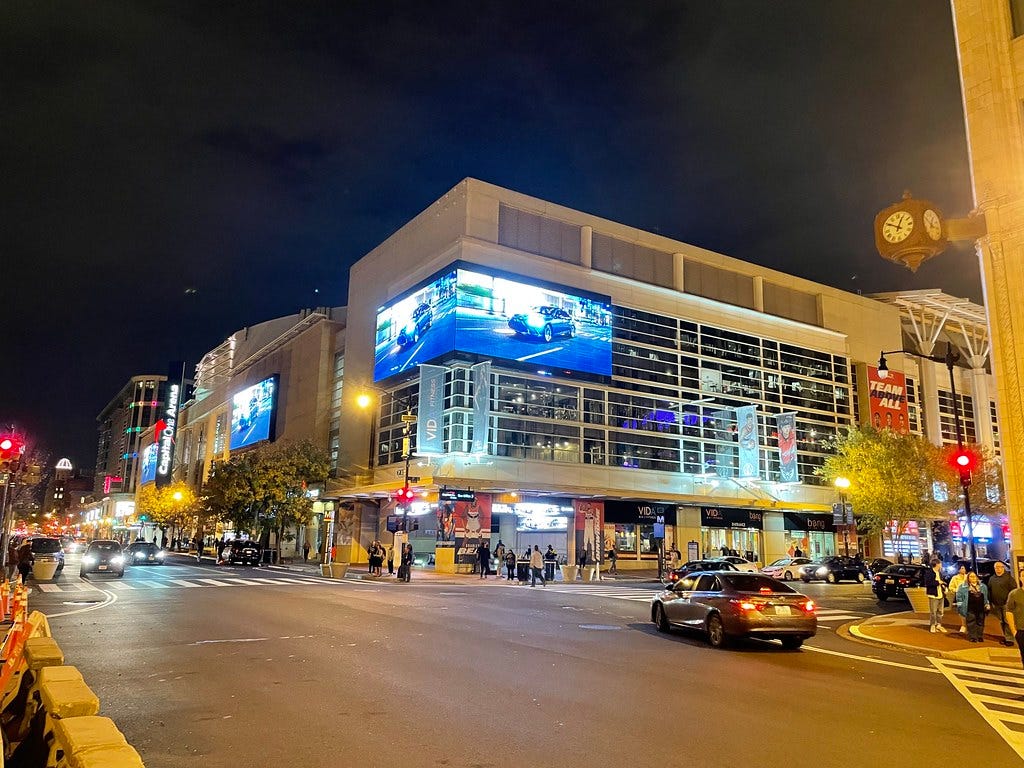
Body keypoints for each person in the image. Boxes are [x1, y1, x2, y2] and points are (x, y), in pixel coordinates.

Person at [956, 571, 990, 643]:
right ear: (968, 578)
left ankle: (979, 636)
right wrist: (960, 607)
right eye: (971, 576)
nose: (973, 578)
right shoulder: (963, 587)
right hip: (970, 608)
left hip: (980, 608)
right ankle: (973, 637)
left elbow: (986, 597)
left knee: (980, 622)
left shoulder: (983, 586)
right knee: (971, 622)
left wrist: (987, 604)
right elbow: (959, 598)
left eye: (974, 576)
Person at [988, 561, 1016, 646]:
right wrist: (990, 601)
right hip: (996, 604)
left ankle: (1010, 639)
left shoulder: (1008, 578)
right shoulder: (992, 578)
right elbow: (989, 590)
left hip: (1006, 604)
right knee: (1001, 621)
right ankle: (1006, 636)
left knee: (1007, 621)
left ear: (1003, 568)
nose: (998, 569)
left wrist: (1011, 602)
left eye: (1000, 567)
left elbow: (1013, 591)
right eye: (996, 567)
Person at [922, 558, 948, 634]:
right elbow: (928, 583)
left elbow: (942, 582)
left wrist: (944, 587)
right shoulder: (929, 573)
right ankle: (932, 625)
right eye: (940, 563)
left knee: (940, 611)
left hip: (941, 594)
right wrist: (938, 582)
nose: (941, 565)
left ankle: (939, 625)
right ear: (937, 564)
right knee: (933, 611)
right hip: (933, 595)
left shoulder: (940, 573)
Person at [1004, 568, 1024, 666]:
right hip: (1021, 631)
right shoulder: (1014, 594)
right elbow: (1009, 612)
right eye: (1023, 576)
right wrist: (1014, 631)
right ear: (1020, 578)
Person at [947, 565, 968, 634]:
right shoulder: (955, 578)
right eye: (961, 568)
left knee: (969, 611)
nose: (963, 569)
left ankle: (970, 625)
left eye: (964, 568)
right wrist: (957, 590)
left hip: (968, 595)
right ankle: (963, 625)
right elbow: (951, 587)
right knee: (961, 611)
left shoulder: (968, 576)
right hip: (959, 596)